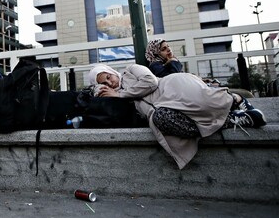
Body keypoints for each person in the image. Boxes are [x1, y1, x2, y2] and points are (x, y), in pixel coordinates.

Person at [88, 64, 267, 169]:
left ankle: (235, 99)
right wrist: (104, 94)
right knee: (161, 119)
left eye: (108, 77)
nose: (110, 82)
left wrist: (120, 95)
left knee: (203, 100)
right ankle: (232, 120)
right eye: (104, 83)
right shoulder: (117, 97)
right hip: (164, 108)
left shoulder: (131, 69)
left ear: (111, 71)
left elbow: (151, 82)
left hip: (173, 88)